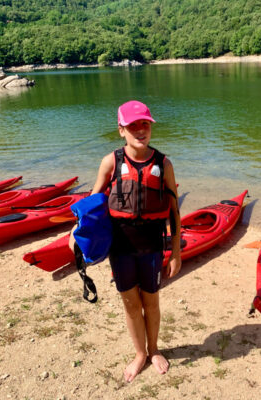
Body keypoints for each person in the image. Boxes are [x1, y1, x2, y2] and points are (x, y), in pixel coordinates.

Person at [71, 100, 181, 382]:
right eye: (133, 125)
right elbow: (94, 205)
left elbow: (174, 211)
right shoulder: (111, 162)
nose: (140, 130)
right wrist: (77, 233)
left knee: (152, 302)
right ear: (121, 130)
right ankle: (139, 354)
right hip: (121, 248)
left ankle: (154, 349)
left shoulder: (164, 164)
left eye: (145, 124)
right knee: (131, 304)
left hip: (152, 247)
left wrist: (176, 251)